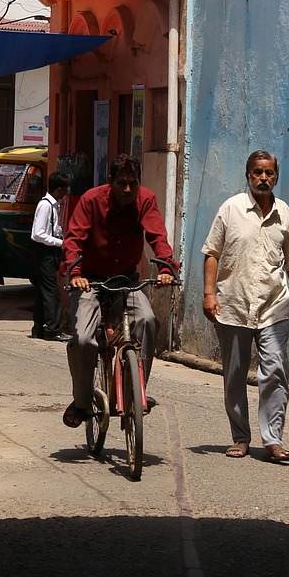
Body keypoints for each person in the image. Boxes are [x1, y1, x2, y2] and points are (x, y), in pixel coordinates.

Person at [202, 149, 289, 462]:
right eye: (257, 173)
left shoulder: (284, 213)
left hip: (274, 305)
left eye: (269, 173)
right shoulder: (231, 209)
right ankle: (240, 437)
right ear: (248, 175)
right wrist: (210, 294)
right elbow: (212, 253)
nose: (264, 178)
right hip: (233, 304)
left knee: (275, 371)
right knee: (234, 375)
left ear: (276, 176)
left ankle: (273, 439)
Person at [60, 154, 178, 429]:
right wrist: (75, 274)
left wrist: (165, 268)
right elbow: (74, 239)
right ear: (110, 181)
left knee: (147, 321)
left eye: (133, 183)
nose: (128, 189)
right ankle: (80, 401)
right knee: (84, 340)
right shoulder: (91, 200)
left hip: (126, 279)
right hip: (90, 279)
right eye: (122, 183)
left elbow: (157, 237)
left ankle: (137, 392)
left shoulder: (146, 200)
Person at [30, 170, 73, 342]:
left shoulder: (54, 205)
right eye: (65, 189)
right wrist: (60, 243)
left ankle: (39, 328)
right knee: (52, 292)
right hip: (43, 252)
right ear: (59, 188)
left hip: (49, 253)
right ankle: (53, 329)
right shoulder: (45, 205)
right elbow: (38, 233)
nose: (66, 193)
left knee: (42, 292)